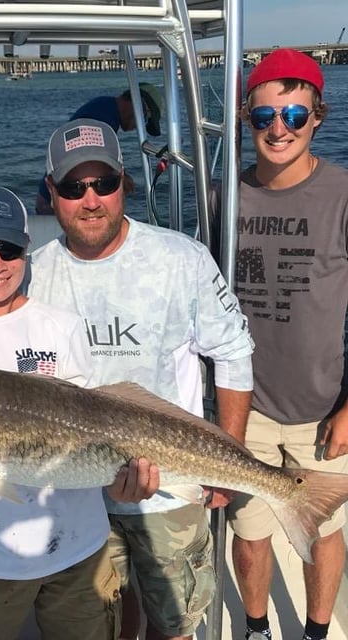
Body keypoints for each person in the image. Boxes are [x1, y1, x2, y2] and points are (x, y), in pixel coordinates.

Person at [0, 119, 254, 640]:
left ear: (124, 183)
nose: (90, 199)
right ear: (51, 195)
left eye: (103, 183)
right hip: (76, 498)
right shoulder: (31, 270)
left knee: (174, 623)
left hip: (168, 481)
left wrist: (229, 458)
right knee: (113, 618)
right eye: (72, 187)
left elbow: (234, 352)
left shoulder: (181, 259)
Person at [0, 184, 157, 640]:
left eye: (9, 248)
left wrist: (128, 483)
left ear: (27, 249)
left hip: (79, 552)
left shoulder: (60, 327)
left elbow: (97, 422)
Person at [225, 48, 348, 640]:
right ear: (247, 117)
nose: (279, 130)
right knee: (249, 534)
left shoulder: (343, 194)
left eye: (294, 116)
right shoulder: (226, 197)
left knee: (322, 533)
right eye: (265, 117)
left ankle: (318, 632)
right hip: (244, 404)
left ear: (317, 116)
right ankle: (255, 628)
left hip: (323, 407)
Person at [35, 83, 163, 215]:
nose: (139, 126)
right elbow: (86, 157)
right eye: (145, 119)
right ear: (139, 106)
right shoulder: (103, 118)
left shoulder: (104, 108)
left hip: (56, 197)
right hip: (59, 201)